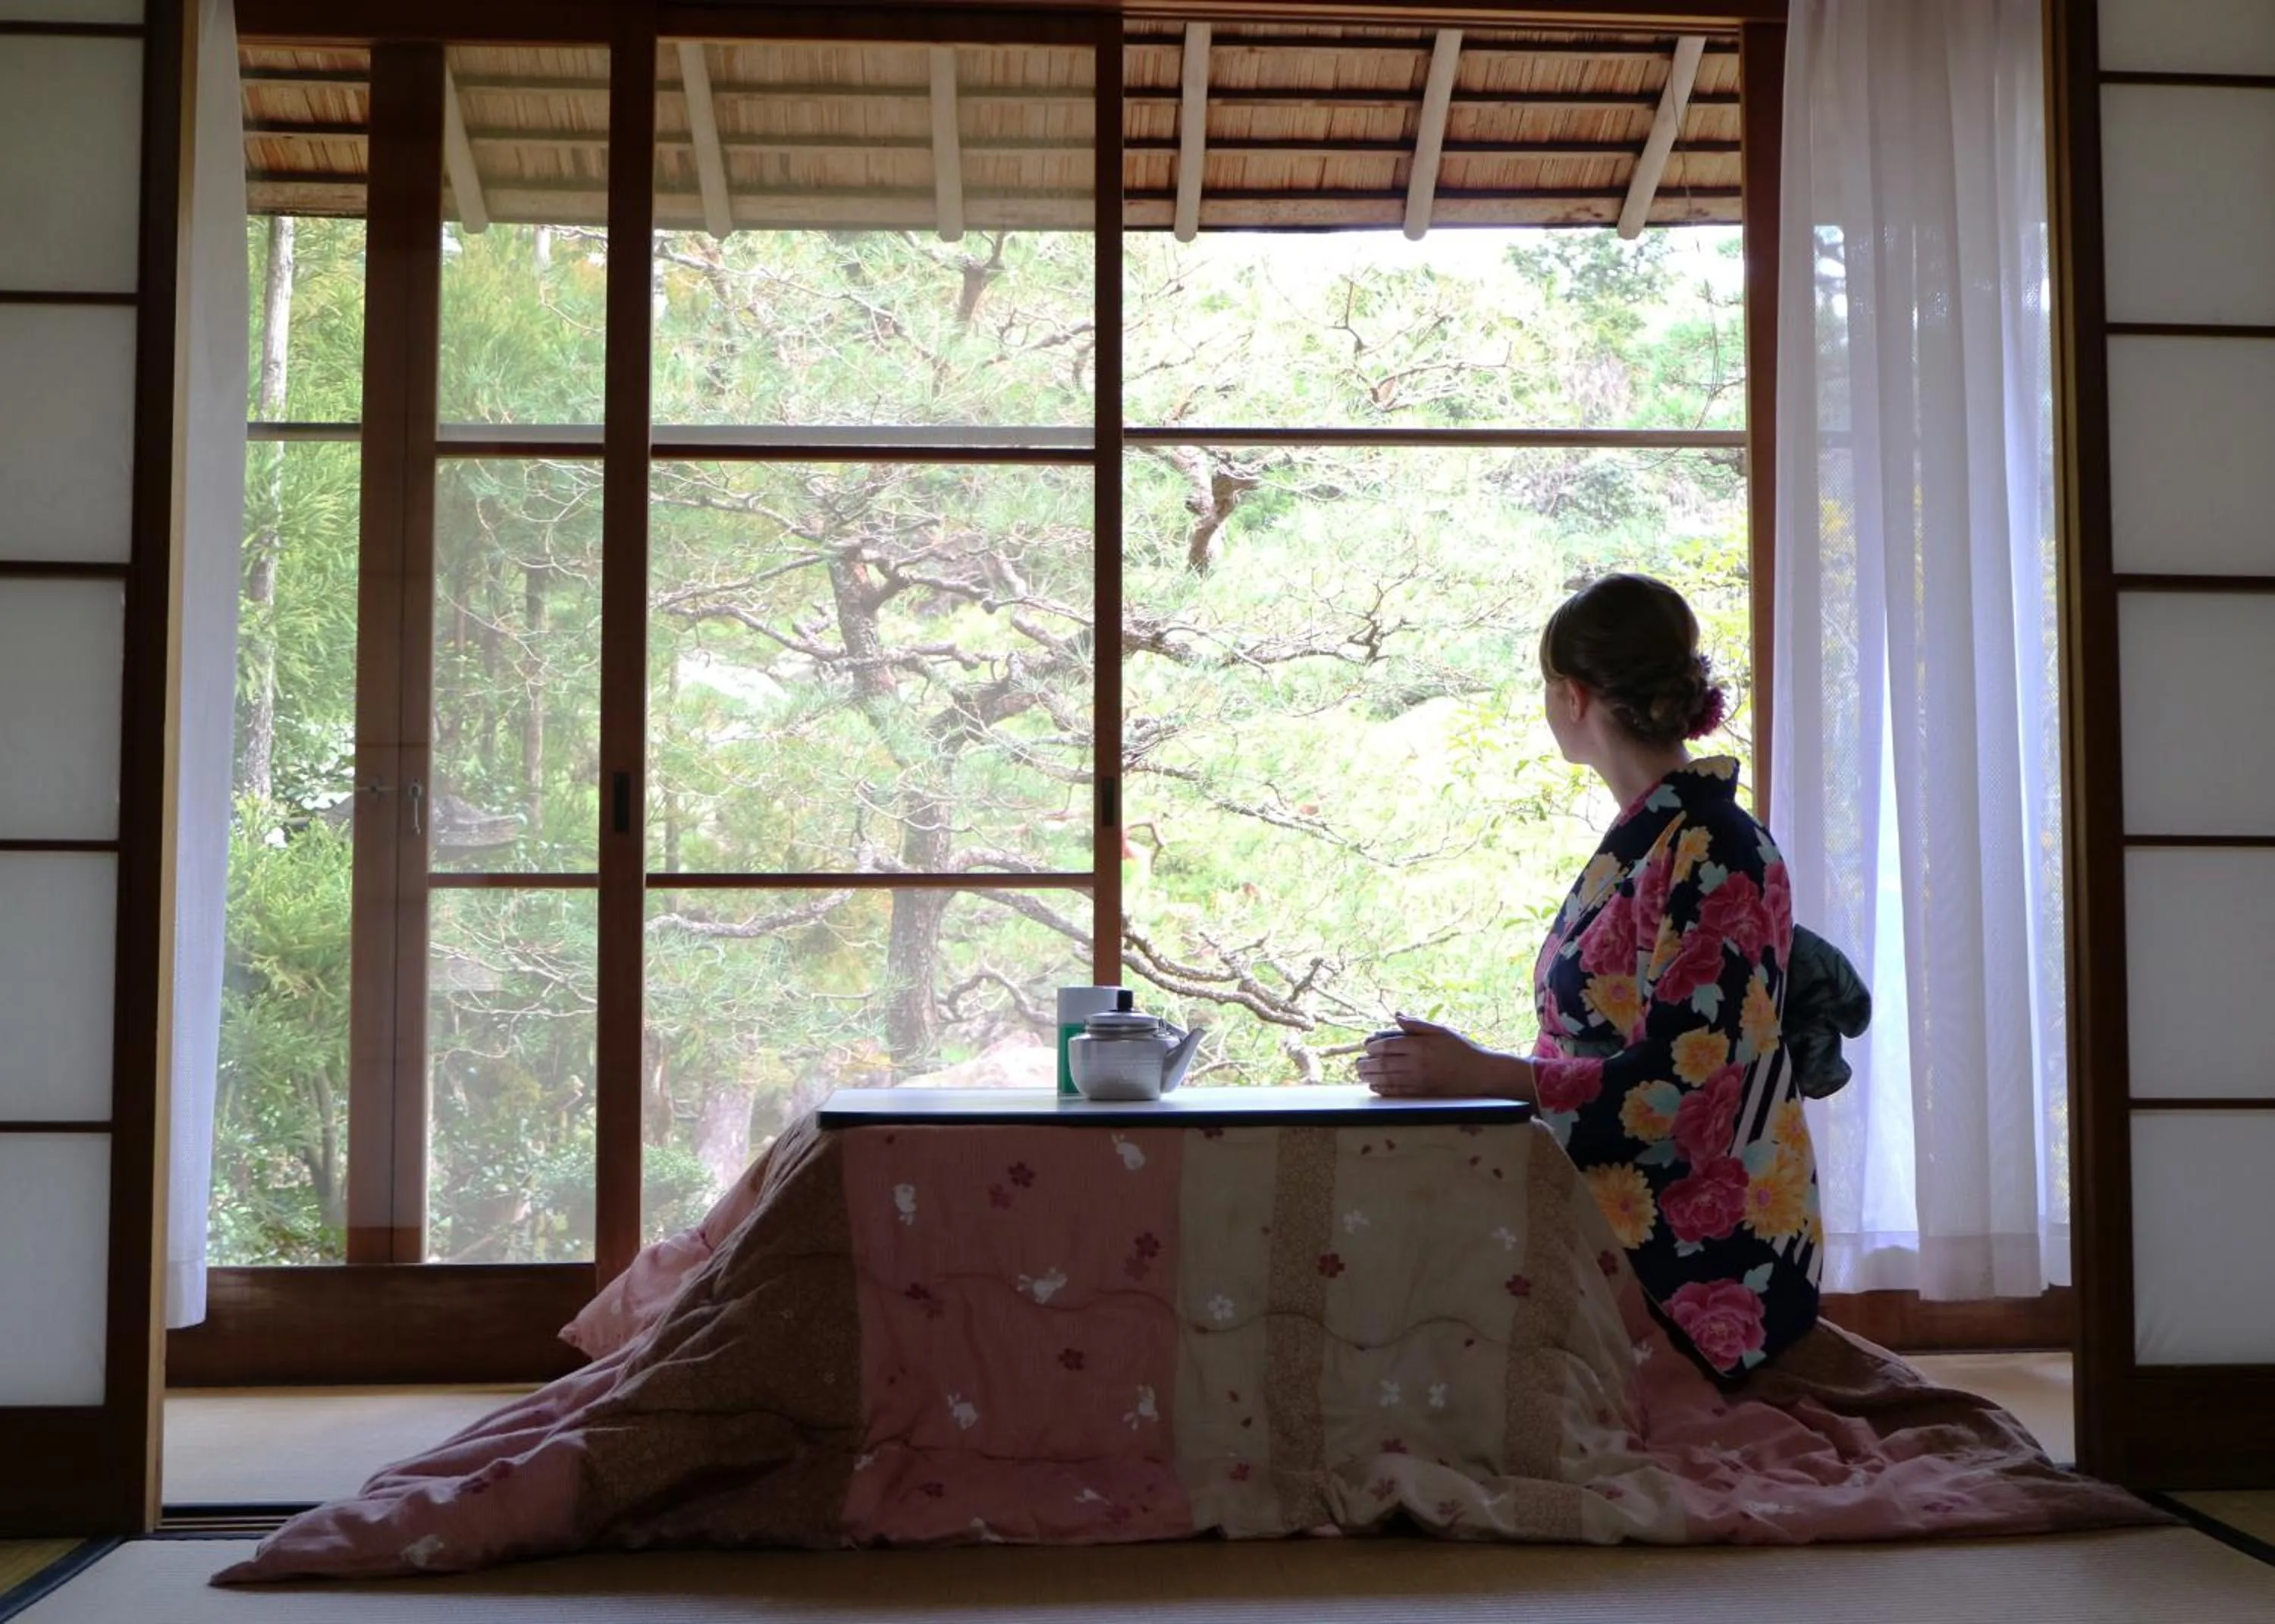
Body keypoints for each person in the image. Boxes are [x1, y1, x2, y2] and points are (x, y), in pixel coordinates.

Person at [1357, 573, 1820, 1377]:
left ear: (1572, 696)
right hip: (1620, 1186)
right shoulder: (1663, 834)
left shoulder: (1715, 846)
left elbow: (1687, 1085)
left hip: (1699, 1235)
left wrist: (1489, 1074)